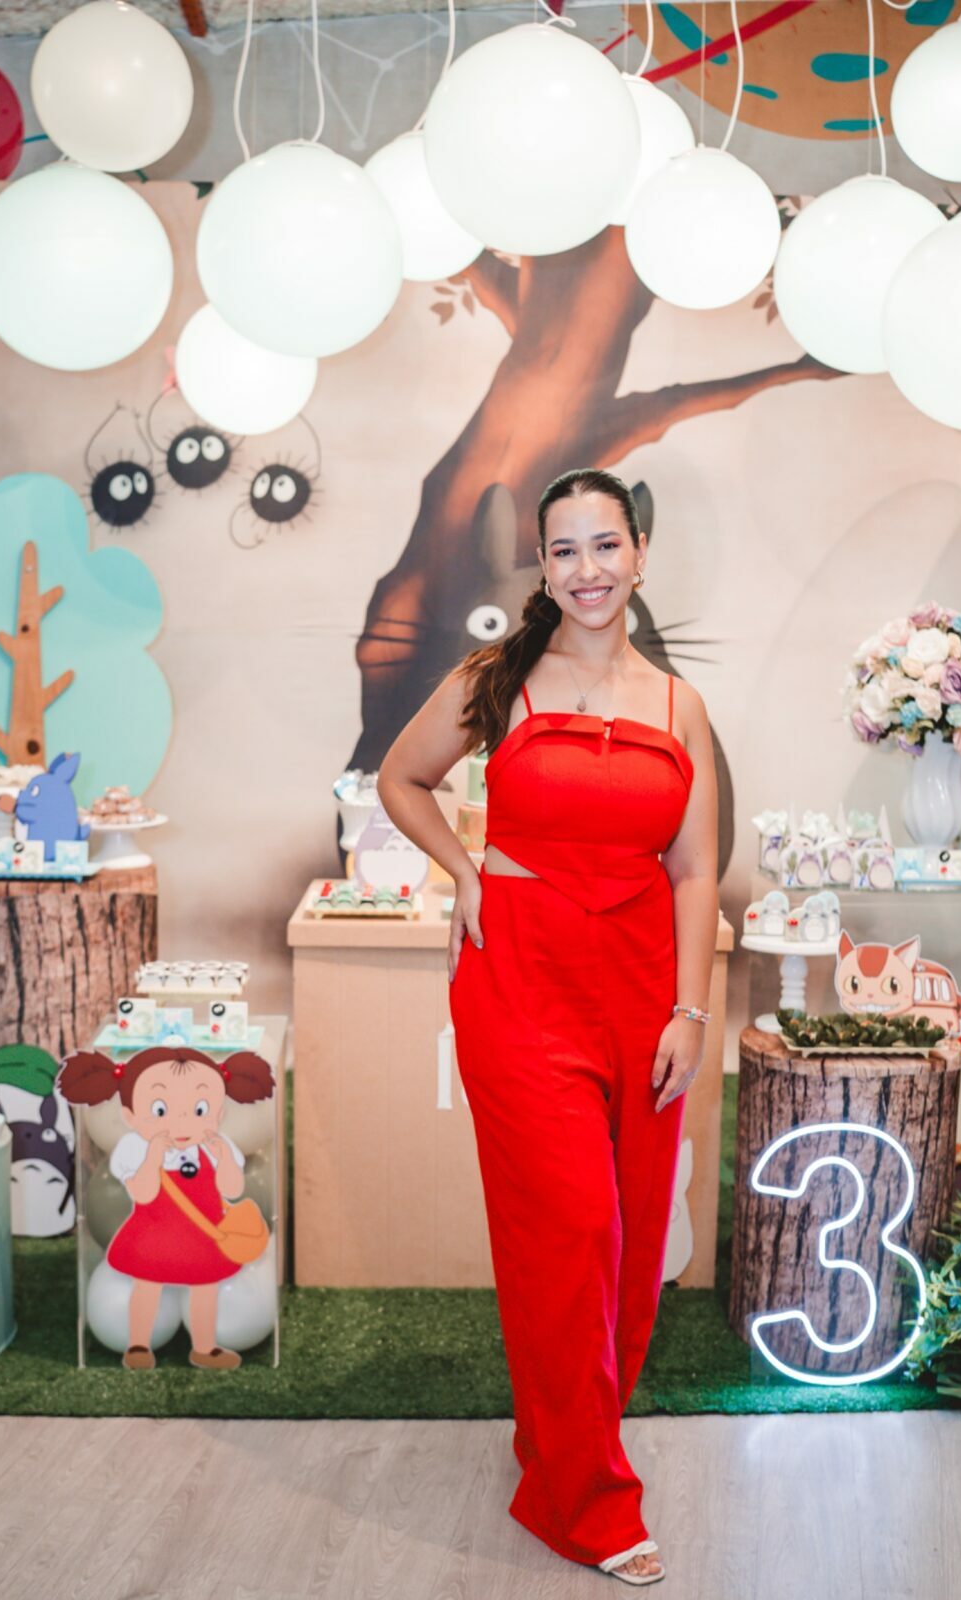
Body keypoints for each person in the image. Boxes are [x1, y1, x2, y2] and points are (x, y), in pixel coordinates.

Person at [377, 467, 719, 1585]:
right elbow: (401, 779)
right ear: (541, 564)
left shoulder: (678, 706)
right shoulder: (498, 678)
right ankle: (589, 1504)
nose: (586, 569)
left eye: (604, 545)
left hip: (642, 992)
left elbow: (694, 869)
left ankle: (561, 1441)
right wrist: (465, 869)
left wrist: (689, 1010)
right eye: (563, 550)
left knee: (628, 1253)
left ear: (638, 554)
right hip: (519, 984)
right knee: (569, 1233)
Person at [58, 1045, 274, 1370]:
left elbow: (231, 1189)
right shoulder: (134, 1149)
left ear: (218, 1113)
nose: (182, 1122)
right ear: (130, 1117)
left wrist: (226, 1159)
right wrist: (153, 1159)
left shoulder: (215, 1146)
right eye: (161, 1110)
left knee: (205, 1289)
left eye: (199, 1109)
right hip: (154, 1233)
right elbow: (142, 1194)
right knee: (148, 1286)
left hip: (202, 1236)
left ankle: (205, 1347)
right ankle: (138, 1344)